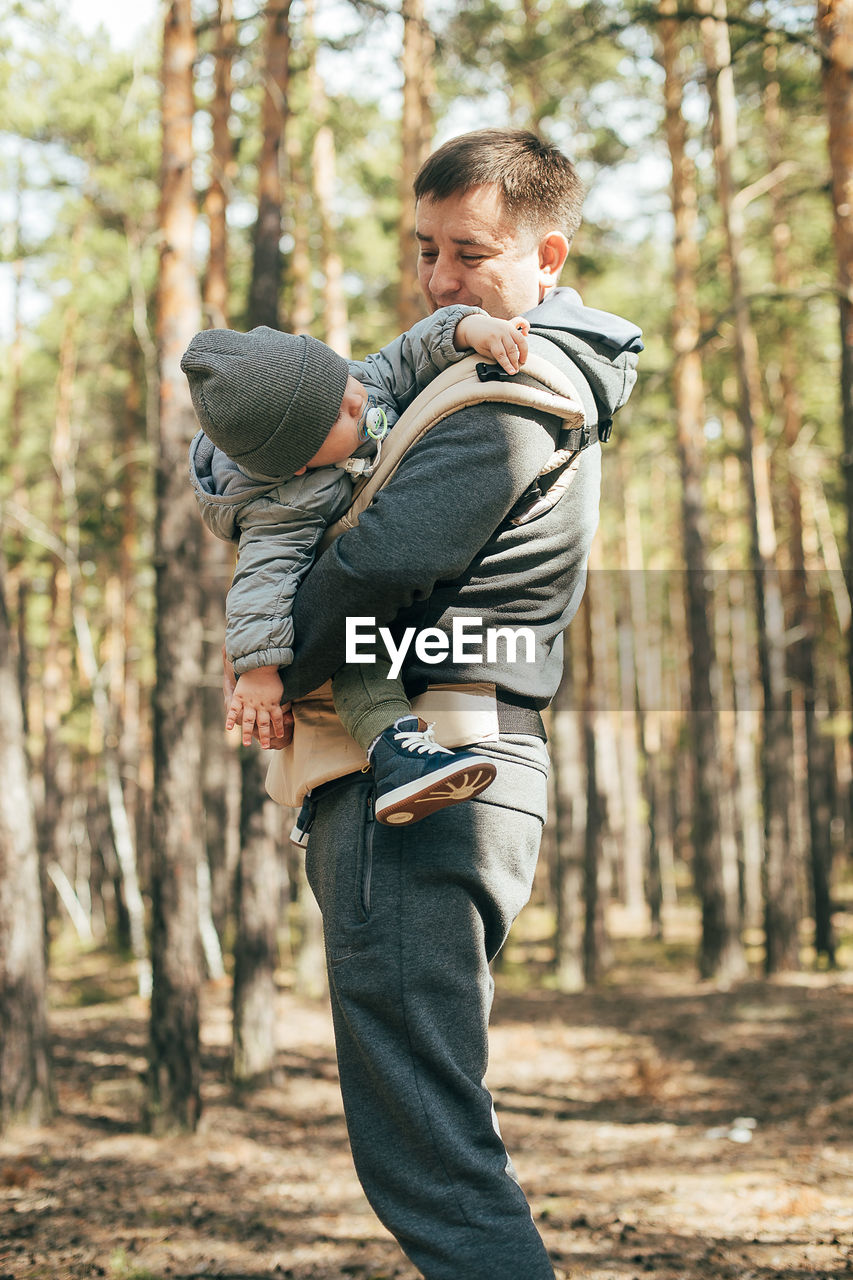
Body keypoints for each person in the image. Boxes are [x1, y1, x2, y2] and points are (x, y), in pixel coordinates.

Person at [236, 129, 642, 1279]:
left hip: (421, 776)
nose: (440, 279)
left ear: (546, 254)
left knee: (430, 1157)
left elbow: (373, 568)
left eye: (470, 252)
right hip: (456, 761)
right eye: (425, 251)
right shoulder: (489, 370)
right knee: (437, 1134)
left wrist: (266, 639)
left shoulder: (509, 391)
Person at [183, 306, 531, 827]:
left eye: (344, 380)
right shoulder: (282, 504)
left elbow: (413, 348)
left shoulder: (357, 382)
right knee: (358, 651)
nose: (359, 400)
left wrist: (474, 330)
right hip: (335, 610)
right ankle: (396, 755)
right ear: (301, 462)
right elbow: (262, 581)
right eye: (341, 415)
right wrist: (258, 673)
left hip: (396, 589)